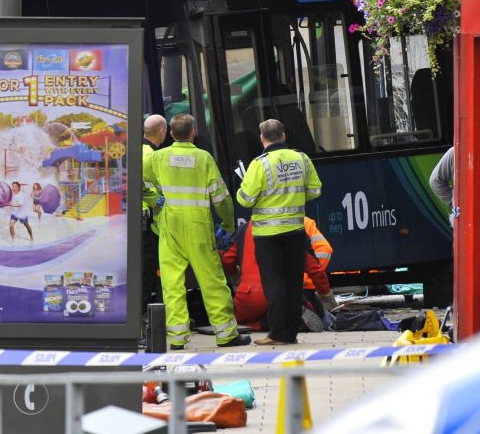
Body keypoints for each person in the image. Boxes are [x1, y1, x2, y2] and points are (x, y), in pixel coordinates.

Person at [144, 114, 251, 350]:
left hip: (170, 224)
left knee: (171, 284)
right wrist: (228, 224)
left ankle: (178, 339)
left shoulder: (158, 157)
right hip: (198, 226)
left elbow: (137, 180)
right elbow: (221, 197)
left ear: (171, 134)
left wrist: (154, 199)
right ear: (192, 133)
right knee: (211, 279)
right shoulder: (203, 158)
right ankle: (226, 334)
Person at [237, 119, 321, 346]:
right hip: (295, 231)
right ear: (284, 135)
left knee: (274, 285)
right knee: (294, 283)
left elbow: (245, 199)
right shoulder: (301, 159)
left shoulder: (259, 164)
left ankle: (277, 334)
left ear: (263, 138)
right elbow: (315, 190)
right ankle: (291, 333)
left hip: (268, 235)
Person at [221, 217, 337, 332]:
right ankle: (288, 318)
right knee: (315, 309)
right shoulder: (295, 228)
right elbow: (314, 269)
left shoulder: (244, 229)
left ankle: (266, 322)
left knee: (235, 320)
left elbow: (227, 260)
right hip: (284, 294)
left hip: (250, 294)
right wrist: (326, 296)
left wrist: (236, 279)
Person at [141, 114, 167, 316]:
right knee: (150, 272)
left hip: (142, 220)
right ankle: (147, 317)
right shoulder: (152, 156)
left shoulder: (139, 149)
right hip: (150, 221)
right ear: (162, 132)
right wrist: (156, 199)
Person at [430, 147, 456, 224]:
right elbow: (435, 181)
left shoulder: (455, 151)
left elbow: (434, 181)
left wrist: (455, 202)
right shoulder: (454, 152)